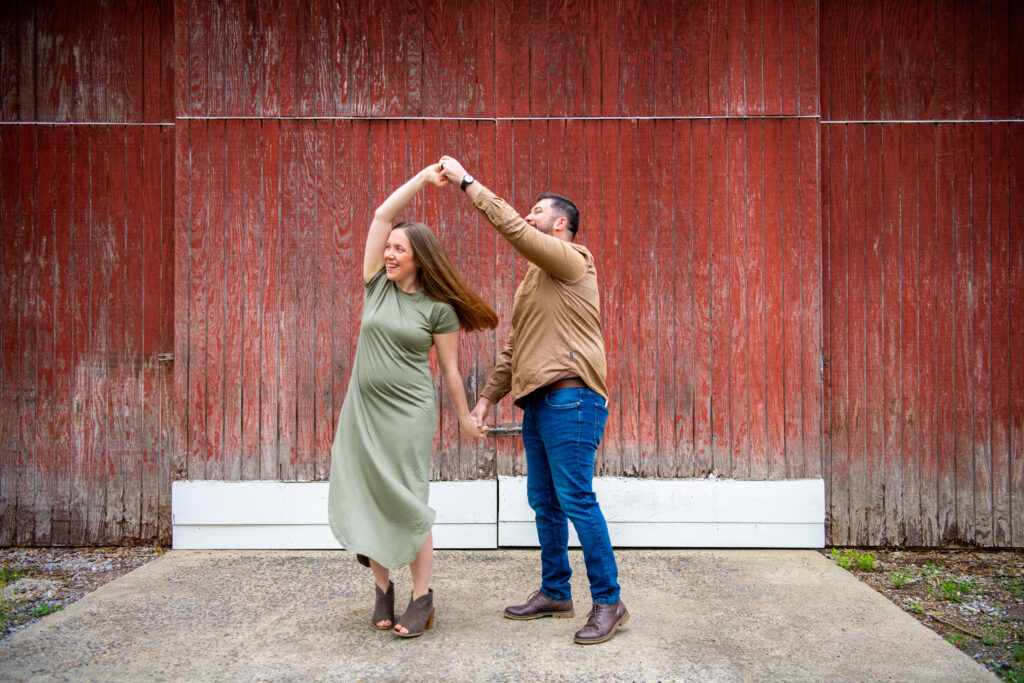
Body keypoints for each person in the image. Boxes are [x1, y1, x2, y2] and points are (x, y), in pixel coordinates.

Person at [438, 156, 629, 645]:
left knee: (576, 499)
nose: (529, 215)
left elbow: (516, 233)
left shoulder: (573, 260)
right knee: (543, 502)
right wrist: (486, 400)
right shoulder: (533, 282)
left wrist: (467, 183)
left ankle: (609, 601)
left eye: (537, 210)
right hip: (538, 403)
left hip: (573, 398)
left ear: (559, 223)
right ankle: (556, 591)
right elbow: (515, 345)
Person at [327, 162, 497, 638]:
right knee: (369, 494)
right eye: (388, 247)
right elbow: (382, 214)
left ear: (419, 257)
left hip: (408, 415)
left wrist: (464, 418)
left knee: (407, 499)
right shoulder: (375, 285)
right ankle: (383, 588)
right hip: (362, 411)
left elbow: (448, 370)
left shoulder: (438, 309)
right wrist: (423, 181)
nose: (389, 252)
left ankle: (422, 596)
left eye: (399, 248)